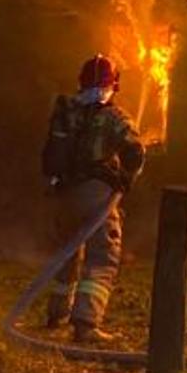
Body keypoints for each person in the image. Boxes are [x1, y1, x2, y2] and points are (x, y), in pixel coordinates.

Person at [40, 54, 146, 341]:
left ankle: (56, 314)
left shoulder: (65, 112)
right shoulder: (115, 117)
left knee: (67, 252)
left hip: (64, 194)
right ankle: (86, 324)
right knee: (103, 256)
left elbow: (52, 154)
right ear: (113, 85)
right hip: (96, 194)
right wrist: (127, 178)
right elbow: (135, 152)